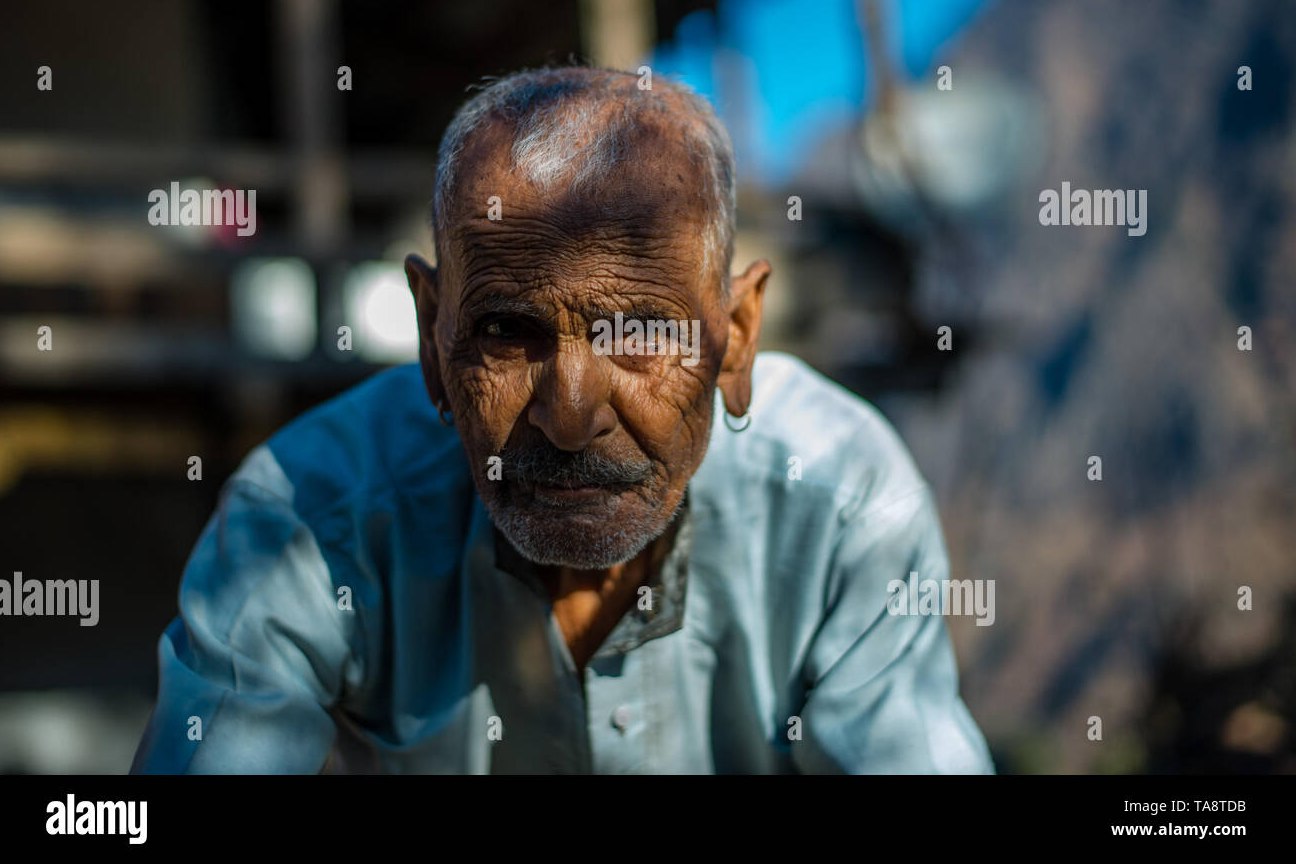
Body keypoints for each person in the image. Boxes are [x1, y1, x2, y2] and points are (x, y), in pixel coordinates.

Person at [131, 66, 993, 773]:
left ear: (736, 339)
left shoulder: (841, 503)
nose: (571, 415)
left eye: (643, 331)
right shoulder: (305, 522)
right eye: (507, 330)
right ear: (435, 339)